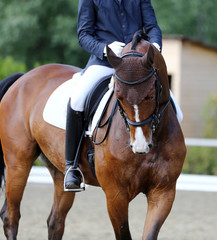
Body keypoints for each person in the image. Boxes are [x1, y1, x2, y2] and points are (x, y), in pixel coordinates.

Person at [64, 0, 162, 191]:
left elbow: (152, 26)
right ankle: (72, 167)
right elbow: (84, 34)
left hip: (138, 65)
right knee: (77, 100)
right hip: (105, 62)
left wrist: (155, 47)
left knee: (170, 102)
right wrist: (105, 48)